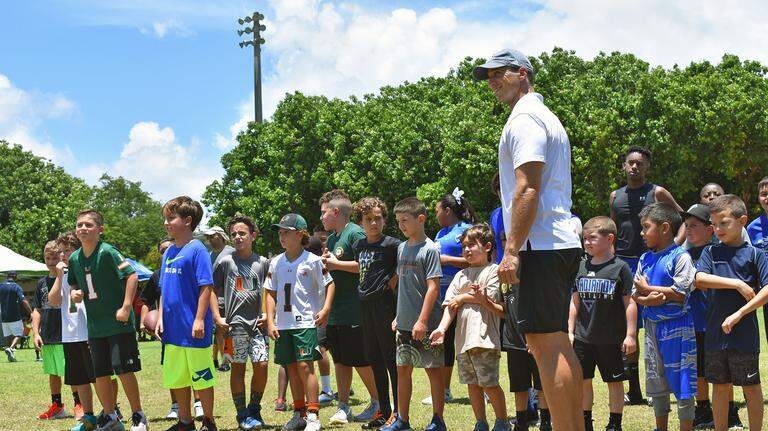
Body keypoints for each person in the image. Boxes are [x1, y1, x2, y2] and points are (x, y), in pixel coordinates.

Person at [474, 48, 584, 431]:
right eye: (488, 76)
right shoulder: (544, 115)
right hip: (555, 242)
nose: (492, 81)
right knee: (556, 343)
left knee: (546, 346)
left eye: (499, 73)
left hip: (539, 246)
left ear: (523, 73)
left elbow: (527, 188)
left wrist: (511, 251)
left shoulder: (524, 119)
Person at [610, 146, 685, 405]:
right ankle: (634, 390)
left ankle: (662, 387)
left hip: (653, 264)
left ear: (647, 167)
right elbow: (612, 230)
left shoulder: (657, 193)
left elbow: (682, 219)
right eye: (630, 162)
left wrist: (673, 248)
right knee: (627, 328)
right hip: (623, 265)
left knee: (656, 323)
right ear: (624, 165)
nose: (634, 167)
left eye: (640, 163)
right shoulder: (615, 196)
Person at [67, 209, 147, 431]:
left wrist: (126, 307)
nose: (83, 228)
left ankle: (138, 415)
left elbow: (131, 276)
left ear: (100, 230)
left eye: (89, 225)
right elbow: (73, 283)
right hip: (95, 326)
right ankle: (110, 416)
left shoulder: (108, 252)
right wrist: (74, 293)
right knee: (100, 374)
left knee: (123, 370)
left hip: (118, 324)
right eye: (79, 225)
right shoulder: (74, 258)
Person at [695, 194, 768, 431]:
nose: (717, 229)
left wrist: (740, 313)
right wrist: (736, 284)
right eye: (714, 224)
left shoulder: (755, 254)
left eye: (724, 223)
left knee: (751, 387)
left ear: (742, 221)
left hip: (744, 335)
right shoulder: (710, 252)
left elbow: (766, 290)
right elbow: (700, 279)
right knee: (719, 386)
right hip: (716, 334)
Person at [430, 224, 509, 431]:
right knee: (472, 384)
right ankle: (480, 422)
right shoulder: (460, 275)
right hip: (463, 341)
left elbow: (493, 301)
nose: (466, 250)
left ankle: (502, 422)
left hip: (484, 339)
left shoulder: (494, 271)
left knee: (489, 384)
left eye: (472, 245)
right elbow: (450, 306)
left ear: (488, 247)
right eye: (464, 246)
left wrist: (464, 297)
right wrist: (442, 329)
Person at [264, 213, 335, 431]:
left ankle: (313, 415)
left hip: (305, 322)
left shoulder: (313, 261)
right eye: (280, 232)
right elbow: (269, 292)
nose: (282, 236)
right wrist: (270, 321)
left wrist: (325, 309)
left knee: (305, 366)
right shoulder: (275, 262)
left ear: (300, 234)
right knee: (291, 368)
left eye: (286, 232)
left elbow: (329, 284)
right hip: (283, 324)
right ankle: (299, 413)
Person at [380, 197, 445, 431]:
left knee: (433, 370)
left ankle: (438, 420)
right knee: (402, 370)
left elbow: (433, 288)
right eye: (398, 221)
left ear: (421, 219)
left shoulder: (430, 249)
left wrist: (423, 321)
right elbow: (403, 284)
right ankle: (402, 420)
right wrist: (399, 316)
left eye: (405, 220)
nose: (401, 226)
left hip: (426, 323)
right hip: (405, 323)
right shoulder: (401, 248)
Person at [632, 203, 697, 431]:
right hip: (652, 327)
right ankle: (661, 427)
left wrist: (648, 290)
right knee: (655, 379)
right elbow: (635, 292)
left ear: (665, 228)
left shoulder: (681, 257)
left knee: (682, 381)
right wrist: (649, 299)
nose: (642, 233)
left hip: (678, 327)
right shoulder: (644, 258)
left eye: (646, 227)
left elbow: (681, 292)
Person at [568, 217, 637, 431]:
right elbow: (574, 302)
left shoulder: (620, 268)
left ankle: (615, 423)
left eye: (592, 238)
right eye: (584, 238)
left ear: (609, 239)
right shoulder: (580, 266)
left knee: (614, 382)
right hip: (583, 338)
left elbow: (630, 303)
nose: (587, 242)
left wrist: (630, 335)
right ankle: (585, 421)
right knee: (583, 380)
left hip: (611, 339)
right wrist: (570, 331)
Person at [157, 196, 219, 431]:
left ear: (188, 221)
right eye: (165, 218)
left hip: (193, 329)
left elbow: (206, 287)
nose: (166, 223)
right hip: (172, 330)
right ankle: (185, 422)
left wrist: (200, 319)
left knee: (201, 376)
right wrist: (160, 318)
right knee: (178, 378)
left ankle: (209, 422)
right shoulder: (168, 252)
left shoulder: (197, 249)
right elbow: (163, 290)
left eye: (171, 218)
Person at [319, 190, 379, 424]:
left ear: (336, 211)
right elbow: (335, 269)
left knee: (361, 360)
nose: (321, 218)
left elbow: (367, 266)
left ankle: (379, 403)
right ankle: (343, 407)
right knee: (340, 361)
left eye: (324, 213)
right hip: (336, 311)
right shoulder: (333, 238)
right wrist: (328, 265)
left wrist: (336, 264)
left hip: (355, 310)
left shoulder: (355, 233)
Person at [213, 216, 270, 430]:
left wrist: (268, 314)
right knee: (237, 368)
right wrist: (217, 317)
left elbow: (270, 291)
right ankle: (242, 415)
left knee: (262, 365)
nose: (237, 237)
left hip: (258, 326)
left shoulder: (263, 262)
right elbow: (210, 289)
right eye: (234, 234)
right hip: (233, 327)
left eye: (242, 233)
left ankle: (254, 409)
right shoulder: (225, 262)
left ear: (253, 236)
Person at [352, 197, 402, 428]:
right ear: (360, 222)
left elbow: (405, 264)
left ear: (384, 220)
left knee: (391, 359)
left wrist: (393, 279)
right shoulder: (359, 245)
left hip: (385, 305)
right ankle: (383, 410)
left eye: (378, 218)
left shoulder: (393, 245)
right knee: (374, 359)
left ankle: (398, 412)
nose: (373, 223)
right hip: (364, 305)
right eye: (368, 219)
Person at [422, 189, 475, 406]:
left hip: (465, 295)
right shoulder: (440, 233)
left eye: (437, 210)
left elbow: (478, 260)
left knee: (470, 343)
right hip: (443, 297)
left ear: (447, 210)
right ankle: (444, 390)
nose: (435, 215)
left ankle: (483, 388)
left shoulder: (467, 230)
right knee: (443, 344)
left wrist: (449, 260)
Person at [49, 230, 98, 431]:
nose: (62, 255)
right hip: (70, 335)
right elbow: (54, 301)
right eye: (61, 251)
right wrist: (59, 275)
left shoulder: (87, 269)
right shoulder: (62, 274)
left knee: (100, 377)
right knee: (80, 379)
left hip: (90, 332)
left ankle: (112, 412)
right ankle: (89, 417)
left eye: (67, 251)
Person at [138, 238, 188, 420]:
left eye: (168, 247)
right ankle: (176, 405)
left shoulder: (187, 268)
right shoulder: (157, 275)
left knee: (192, 366)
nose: (165, 252)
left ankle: (198, 403)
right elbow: (146, 300)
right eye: (162, 250)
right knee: (172, 368)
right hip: (168, 330)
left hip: (188, 325)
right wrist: (143, 322)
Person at [679, 204, 716, 429]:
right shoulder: (683, 255)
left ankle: (729, 411)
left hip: (713, 320)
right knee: (697, 370)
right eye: (686, 226)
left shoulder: (717, 252)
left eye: (694, 225)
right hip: (691, 321)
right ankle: (703, 409)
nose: (689, 230)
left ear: (710, 229)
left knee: (720, 371)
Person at [33, 241, 77, 420]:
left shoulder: (69, 279)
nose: (51, 262)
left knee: (72, 371)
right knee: (53, 372)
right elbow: (37, 310)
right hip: (48, 334)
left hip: (66, 333)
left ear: (61, 258)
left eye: (54, 258)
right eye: (47, 258)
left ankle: (79, 404)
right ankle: (57, 406)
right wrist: (36, 333)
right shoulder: (41, 283)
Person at [205, 225, 234, 373]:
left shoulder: (232, 252)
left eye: (212, 236)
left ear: (222, 236)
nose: (209, 239)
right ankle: (224, 360)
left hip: (230, 299)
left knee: (227, 332)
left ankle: (227, 360)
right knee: (218, 332)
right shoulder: (209, 255)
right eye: (208, 237)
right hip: (214, 299)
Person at [1, 271, 32, 362]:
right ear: (15, 277)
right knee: (19, 334)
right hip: (14, 315)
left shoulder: (1, 285)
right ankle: (11, 348)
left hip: (4, 316)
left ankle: (10, 354)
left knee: (8, 335)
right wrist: (30, 312)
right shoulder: (16, 287)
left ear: (7, 276)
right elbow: (23, 301)